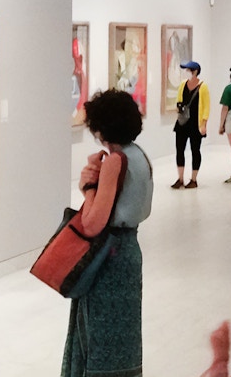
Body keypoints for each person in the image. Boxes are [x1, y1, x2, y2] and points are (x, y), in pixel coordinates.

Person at [67, 89, 154, 377]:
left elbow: (93, 224)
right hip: (129, 251)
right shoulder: (139, 155)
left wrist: (87, 188)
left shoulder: (115, 161)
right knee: (126, 338)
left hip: (109, 256)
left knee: (101, 338)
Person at [172, 61, 210, 189]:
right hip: (182, 122)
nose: (185, 73)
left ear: (194, 72)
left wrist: (204, 123)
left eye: (187, 70)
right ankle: (180, 178)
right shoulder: (183, 85)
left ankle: (194, 179)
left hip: (196, 123)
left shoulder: (203, 86)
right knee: (179, 149)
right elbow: (179, 100)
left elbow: (206, 106)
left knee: (195, 150)